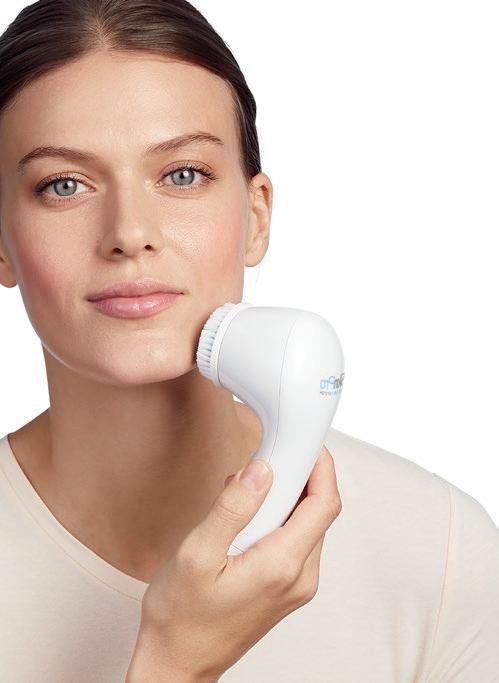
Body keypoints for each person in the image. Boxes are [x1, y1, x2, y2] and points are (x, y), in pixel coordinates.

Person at [0, 1, 497, 681]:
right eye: (64, 185)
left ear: (256, 216)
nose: (129, 232)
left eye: (182, 174)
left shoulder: (437, 551)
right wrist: (176, 662)